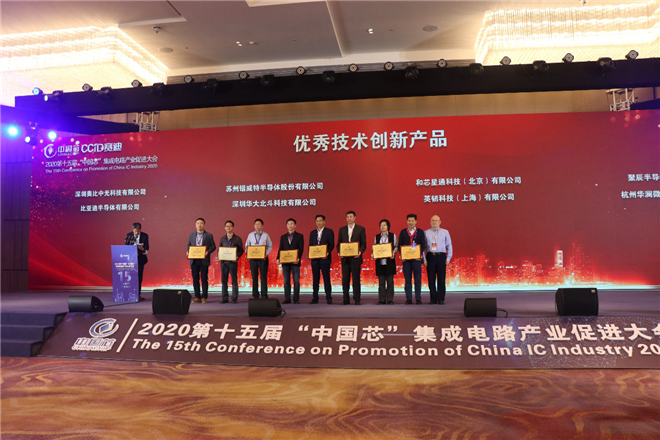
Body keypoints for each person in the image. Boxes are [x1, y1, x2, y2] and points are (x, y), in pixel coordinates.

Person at [337, 210, 367, 305]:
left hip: (356, 258)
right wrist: (339, 252)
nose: (349, 218)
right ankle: (345, 299)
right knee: (345, 280)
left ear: (355, 218)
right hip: (345, 259)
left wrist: (360, 252)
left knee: (356, 280)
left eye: (351, 217)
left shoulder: (361, 229)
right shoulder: (342, 229)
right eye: (347, 217)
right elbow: (339, 244)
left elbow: (363, 244)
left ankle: (357, 299)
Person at [424, 215, 453, 304]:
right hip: (430, 256)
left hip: (441, 257)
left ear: (440, 222)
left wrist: (448, 258)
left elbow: (449, 246)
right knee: (431, 279)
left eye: (436, 220)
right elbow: (423, 247)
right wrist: (424, 259)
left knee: (441, 279)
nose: (434, 222)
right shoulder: (426, 233)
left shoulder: (445, 232)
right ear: (430, 222)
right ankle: (433, 298)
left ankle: (441, 298)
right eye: (433, 220)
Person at [186, 218, 216, 303]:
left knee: (204, 279)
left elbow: (213, 247)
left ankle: (204, 297)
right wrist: (187, 251)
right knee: (195, 279)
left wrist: (207, 252)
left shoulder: (209, 235)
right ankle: (197, 297)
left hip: (204, 260)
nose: (199, 225)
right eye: (198, 223)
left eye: (201, 223)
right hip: (194, 260)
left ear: (204, 225)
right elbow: (188, 244)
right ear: (195, 225)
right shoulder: (192, 235)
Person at [399, 213, 427, 305]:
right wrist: (401, 254)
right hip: (406, 260)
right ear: (407, 221)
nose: (411, 222)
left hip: (416, 260)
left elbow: (423, 244)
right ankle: (409, 298)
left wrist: (420, 254)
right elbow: (400, 245)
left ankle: (418, 298)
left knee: (418, 279)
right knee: (407, 280)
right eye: (409, 221)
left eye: (412, 221)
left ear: (416, 221)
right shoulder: (403, 232)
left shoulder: (420, 232)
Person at [277, 218, 304, 304]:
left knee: (296, 281)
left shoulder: (300, 236)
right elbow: (280, 248)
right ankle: (287, 299)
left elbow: (301, 248)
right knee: (286, 281)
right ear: (286, 226)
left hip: (295, 262)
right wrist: (278, 258)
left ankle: (296, 299)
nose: (290, 225)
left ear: (295, 225)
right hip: (285, 263)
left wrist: (298, 258)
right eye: (288, 224)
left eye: (292, 224)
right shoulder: (283, 237)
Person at [308, 214, 334, 304]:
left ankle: (329, 298)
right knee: (315, 279)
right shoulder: (312, 233)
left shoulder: (329, 231)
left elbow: (331, 244)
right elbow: (311, 245)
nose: (318, 222)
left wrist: (328, 252)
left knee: (326, 278)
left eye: (320, 220)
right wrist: (310, 254)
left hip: (325, 259)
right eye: (317, 221)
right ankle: (315, 298)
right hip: (315, 260)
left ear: (324, 222)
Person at [245, 218, 273, 299]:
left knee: (263, 277)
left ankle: (264, 294)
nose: (257, 226)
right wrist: (249, 254)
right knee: (254, 277)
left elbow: (270, 246)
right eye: (256, 224)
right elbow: (246, 246)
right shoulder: (250, 235)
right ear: (254, 226)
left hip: (263, 259)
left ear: (262, 226)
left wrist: (265, 254)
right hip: (253, 259)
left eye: (259, 224)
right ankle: (255, 294)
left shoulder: (266, 235)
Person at [218, 220, 244, 303]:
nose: (228, 227)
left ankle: (234, 298)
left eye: (230, 226)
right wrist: (219, 256)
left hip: (233, 262)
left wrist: (237, 256)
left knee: (234, 280)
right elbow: (220, 249)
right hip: (224, 262)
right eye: (227, 226)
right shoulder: (222, 238)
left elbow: (241, 250)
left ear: (233, 227)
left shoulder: (237, 239)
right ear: (225, 228)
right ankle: (224, 298)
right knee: (224, 280)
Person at [373, 219, 398, 305]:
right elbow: (375, 248)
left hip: (389, 262)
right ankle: (382, 299)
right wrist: (373, 254)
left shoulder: (393, 236)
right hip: (380, 262)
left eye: (384, 225)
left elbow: (396, 246)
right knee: (381, 282)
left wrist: (393, 252)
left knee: (390, 282)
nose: (382, 227)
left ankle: (390, 299)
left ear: (388, 226)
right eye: (381, 225)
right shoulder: (377, 237)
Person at [125, 222, 149, 301]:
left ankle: (138, 295)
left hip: (140, 259)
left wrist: (143, 249)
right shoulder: (129, 235)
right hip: (131, 260)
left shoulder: (145, 236)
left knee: (139, 277)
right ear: (132, 230)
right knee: (130, 277)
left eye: (138, 231)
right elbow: (126, 247)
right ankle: (129, 294)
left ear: (140, 230)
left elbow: (147, 249)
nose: (137, 232)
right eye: (135, 231)